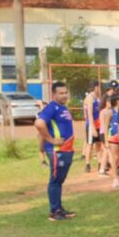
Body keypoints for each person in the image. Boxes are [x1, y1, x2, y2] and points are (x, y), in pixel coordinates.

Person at [33, 81, 76, 221]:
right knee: (55, 181)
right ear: (54, 94)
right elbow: (39, 123)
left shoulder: (62, 107)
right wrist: (50, 140)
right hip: (57, 151)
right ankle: (54, 212)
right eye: (61, 93)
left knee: (59, 181)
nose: (64, 95)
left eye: (65, 92)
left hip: (66, 150)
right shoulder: (52, 107)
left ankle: (59, 209)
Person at [101, 94, 119, 189]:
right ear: (117, 101)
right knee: (115, 158)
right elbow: (105, 127)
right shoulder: (109, 112)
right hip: (113, 137)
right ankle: (115, 179)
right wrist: (106, 140)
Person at [82, 80, 103, 173]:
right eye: (98, 86)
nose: (99, 88)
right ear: (95, 87)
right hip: (92, 125)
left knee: (98, 144)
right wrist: (93, 128)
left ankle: (100, 163)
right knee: (90, 144)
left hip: (98, 124)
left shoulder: (97, 98)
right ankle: (87, 164)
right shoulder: (89, 98)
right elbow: (89, 114)